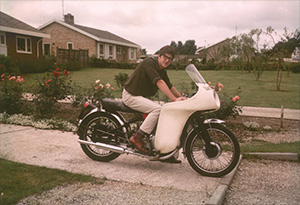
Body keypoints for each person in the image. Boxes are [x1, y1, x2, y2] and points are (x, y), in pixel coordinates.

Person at [122, 45, 186, 163]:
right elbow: (160, 82)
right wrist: (174, 99)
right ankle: (137, 138)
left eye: (170, 59)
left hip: (140, 96)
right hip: (131, 95)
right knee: (158, 109)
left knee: (165, 113)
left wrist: (181, 97)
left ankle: (164, 152)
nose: (167, 60)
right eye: (165, 57)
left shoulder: (161, 69)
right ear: (159, 56)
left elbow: (169, 85)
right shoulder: (149, 63)